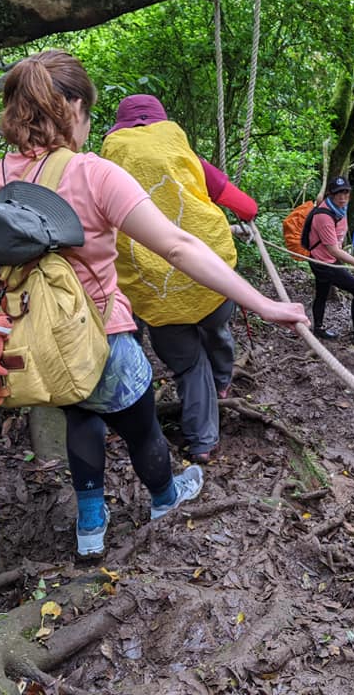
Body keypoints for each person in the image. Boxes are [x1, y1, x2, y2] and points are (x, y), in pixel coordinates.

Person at [0, 51, 308, 558]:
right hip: (101, 338)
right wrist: (264, 304)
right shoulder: (92, 174)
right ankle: (166, 498)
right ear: (73, 107)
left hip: (33, 346)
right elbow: (178, 247)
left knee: (80, 416)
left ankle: (90, 525)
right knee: (141, 426)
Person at [101, 94, 257, 464]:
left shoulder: (104, 173)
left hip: (156, 295)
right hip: (212, 281)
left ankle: (202, 442)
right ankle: (223, 381)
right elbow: (247, 207)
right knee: (217, 330)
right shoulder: (189, 160)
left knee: (189, 365)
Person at [306, 176, 354, 347]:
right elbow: (333, 249)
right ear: (331, 195)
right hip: (323, 262)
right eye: (338, 193)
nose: (343, 197)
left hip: (323, 258)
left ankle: (318, 328)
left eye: (346, 192)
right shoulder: (324, 216)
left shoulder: (339, 209)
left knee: (322, 292)